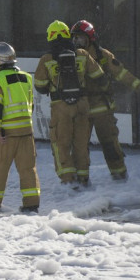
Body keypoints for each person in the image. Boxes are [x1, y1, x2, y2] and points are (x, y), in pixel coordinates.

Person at [71, 20, 140, 181]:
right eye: (74, 38)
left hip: (102, 107)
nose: (76, 42)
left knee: (110, 145)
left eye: (80, 38)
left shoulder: (103, 56)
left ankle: (120, 176)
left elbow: (121, 74)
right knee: (79, 148)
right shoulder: (70, 56)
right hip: (82, 108)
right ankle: (80, 181)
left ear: (90, 38)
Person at [33, 20, 105, 187]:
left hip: (60, 106)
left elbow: (40, 86)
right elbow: (99, 77)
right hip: (82, 105)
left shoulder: (46, 59)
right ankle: (84, 178)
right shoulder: (82, 54)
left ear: (50, 37)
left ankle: (68, 181)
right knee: (81, 143)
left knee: (61, 144)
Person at [0, 42, 40, 213]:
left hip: (6, 134)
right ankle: (31, 204)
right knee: (28, 169)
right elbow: (30, 106)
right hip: (26, 132)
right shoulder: (26, 77)